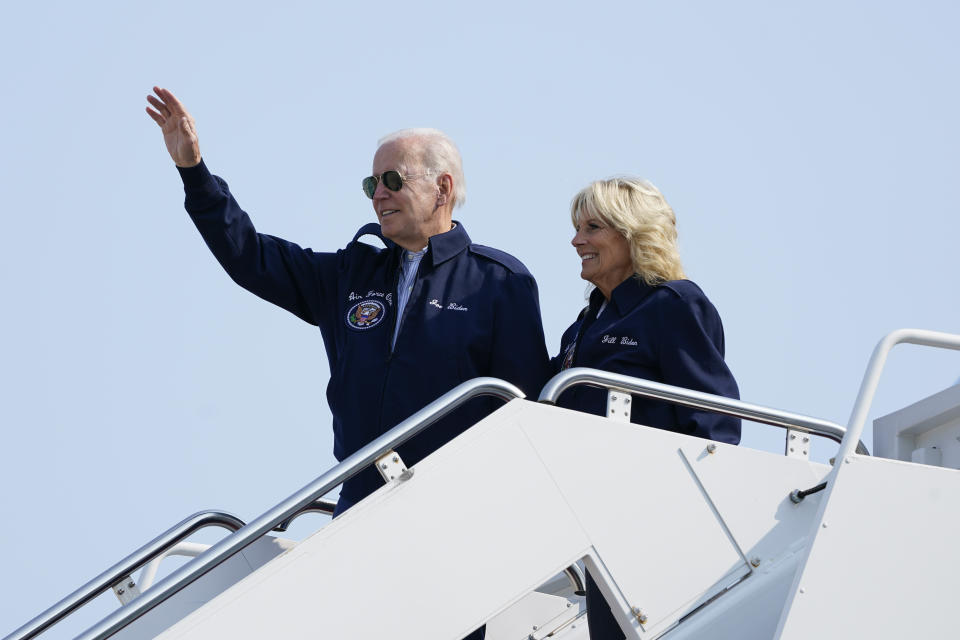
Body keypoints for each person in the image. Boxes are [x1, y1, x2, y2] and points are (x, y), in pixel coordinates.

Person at [144, 89, 551, 630]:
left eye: (392, 181)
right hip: (362, 504)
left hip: (454, 511)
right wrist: (195, 172)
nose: (377, 196)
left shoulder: (500, 282)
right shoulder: (348, 277)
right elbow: (249, 256)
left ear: (443, 188)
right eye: (370, 184)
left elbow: (523, 412)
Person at [552, 177, 740, 639]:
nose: (577, 240)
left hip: (657, 520)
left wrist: (688, 521)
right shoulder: (581, 327)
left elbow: (715, 427)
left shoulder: (674, 305)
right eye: (577, 228)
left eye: (592, 227)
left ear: (631, 233)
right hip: (595, 521)